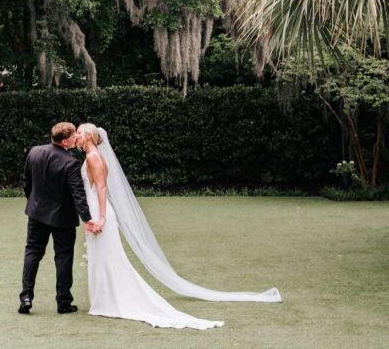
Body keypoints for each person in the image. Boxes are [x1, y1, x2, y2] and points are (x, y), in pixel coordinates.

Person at [75, 122, 281, 329]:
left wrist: (101, 218)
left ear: (89, 137)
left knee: (110, 259)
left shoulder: (94, 157)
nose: (76, 136)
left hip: (100, 213)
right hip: (94, 211)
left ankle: (110, 301)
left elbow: (101, 188)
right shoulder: (92, 156)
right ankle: (104, 300)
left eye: (79, 132)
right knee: (103, 258)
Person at [19, 122, 99, 315]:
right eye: (73, 137)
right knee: (63, 256)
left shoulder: (35, 152)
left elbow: (27, 182)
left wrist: (34, 202)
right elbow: (77, 193)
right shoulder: (70, 162)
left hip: (36, 213)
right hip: (62, 217)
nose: (76, 139)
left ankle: (26, 297)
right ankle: (63, 302)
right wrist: (88, 218)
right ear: (65, 141)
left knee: (32, 253)